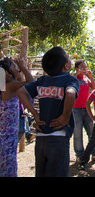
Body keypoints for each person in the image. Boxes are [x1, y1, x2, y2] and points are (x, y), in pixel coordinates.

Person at [17, 46, 79, 177]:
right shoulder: (70, 80)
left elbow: (21, 92)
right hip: (59, 138)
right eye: (68, 57)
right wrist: (64, 116)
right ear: (66, 66)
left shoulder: (42, 81)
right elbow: (70, 93)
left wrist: (35, 114)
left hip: (41, 139)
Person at [0, 56, 34, 177]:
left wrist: (17, 72)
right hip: (7, 139)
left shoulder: (4, 85)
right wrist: (23, 68)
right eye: (13, 67)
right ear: (7, 73)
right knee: (8, 168)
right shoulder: (10, 85)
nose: (16, 68)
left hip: (5, 136)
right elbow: (31, 84)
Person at [73, 59, 95, 163]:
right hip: (75, 110)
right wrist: (76, 74)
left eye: (85, 67)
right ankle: (79, 155)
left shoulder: (85, 79)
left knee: (91, 132)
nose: (84, 69)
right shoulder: (74, 78)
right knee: (78, 134)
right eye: (82, 67)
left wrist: (91, 77)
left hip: (87, 109)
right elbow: (70, 84)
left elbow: (94, 87)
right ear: (76, 69)